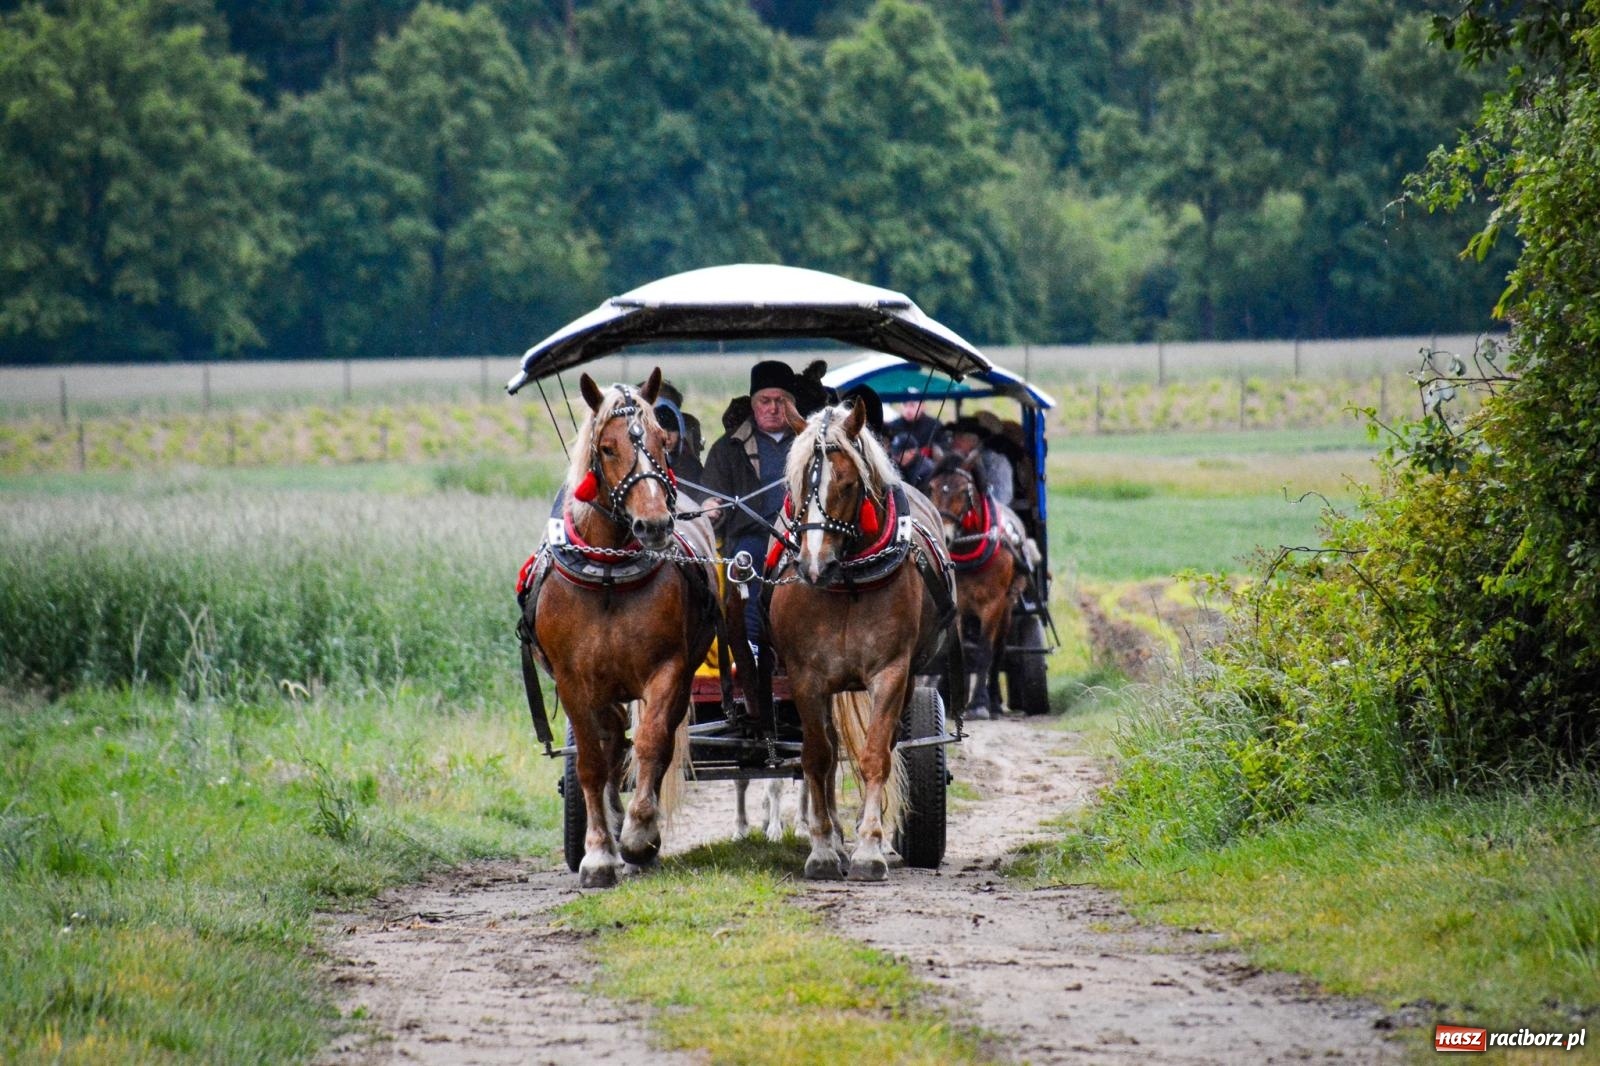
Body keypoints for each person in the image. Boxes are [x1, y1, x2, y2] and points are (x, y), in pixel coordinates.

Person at [702, 359, 799, 645]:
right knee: (747, 563)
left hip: (802, 535)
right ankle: (751, 647)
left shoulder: (809, 442)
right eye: (765, 401)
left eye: (781, 401)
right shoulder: (728, 447)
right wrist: (710, 506)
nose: (773, 408)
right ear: (753, 404)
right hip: (753, 536)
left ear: (793, 405)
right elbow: (710, 494)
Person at [947, 417, 1014, 508]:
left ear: (974, 441)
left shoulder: (996, 462)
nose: (953, 441)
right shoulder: (951, 461)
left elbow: (1001, 499)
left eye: (960, 437)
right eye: (953, 437)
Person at [653, 397, 704, 491]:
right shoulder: (637, 468)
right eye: (660, 431)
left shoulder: (690, 468)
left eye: (672, 431)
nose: (667, 439)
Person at [883, 389, 947, 459]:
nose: (908, 410)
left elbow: (944, 448)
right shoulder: (893, 426)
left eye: (912, 405)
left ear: (922, 406)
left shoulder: (934, 425)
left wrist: (932, 451)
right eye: (905, 405)